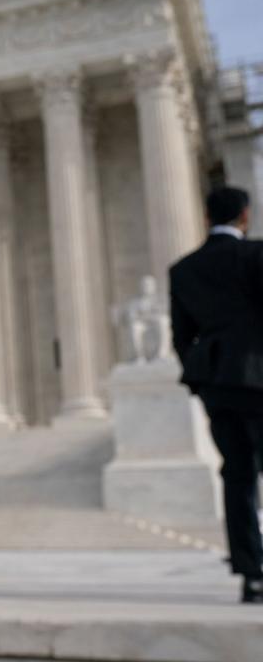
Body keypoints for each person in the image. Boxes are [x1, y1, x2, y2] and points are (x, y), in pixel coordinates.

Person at [171, 185, 263, 604]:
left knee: (237, 474)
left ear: (206, 219)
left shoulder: (184, 269)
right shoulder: (256, 256)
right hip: (259, 376)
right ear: (245, 216)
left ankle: (252, 573)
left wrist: (202, 377)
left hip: (218, 384)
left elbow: (181, 337)